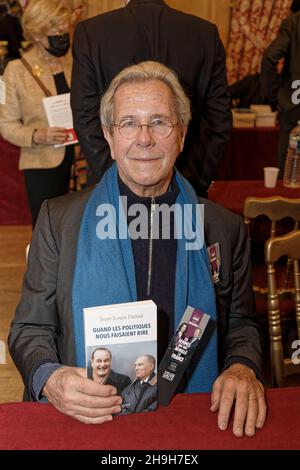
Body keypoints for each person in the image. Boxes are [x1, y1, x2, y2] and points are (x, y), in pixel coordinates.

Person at [9, 61, 266, 436]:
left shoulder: (221, 228)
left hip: (193, 415)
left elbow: (242, 324)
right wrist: (50, 377)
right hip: (89, 418)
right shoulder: (60, 220)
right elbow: (29, 328)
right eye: (129, 123)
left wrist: (243, 365)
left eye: (160, 122)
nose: (144, 138)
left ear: (180, 135)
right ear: (109, 138)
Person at [71, 0, 232, 197]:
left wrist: (120, 181)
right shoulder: (204, 34)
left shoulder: (91, 33)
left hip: (113, 190)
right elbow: (218, 121)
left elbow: (85, 118)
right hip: (185, 187)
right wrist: (192, 182)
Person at [0, 0, 74, 227]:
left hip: (81, 160)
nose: (63, 35)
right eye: (57, 31)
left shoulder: (77, 60)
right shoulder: (15, 71)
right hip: (42, 162)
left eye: (65, 28)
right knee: (47, 230)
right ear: (38, 34)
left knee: (76, 227)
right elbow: (5, 124)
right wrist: (37, 135)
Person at [261, 6, 300, 176]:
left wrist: (273, 96)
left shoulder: (295, 21)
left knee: (289, 171)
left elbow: (270, 57)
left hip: (294, 99)